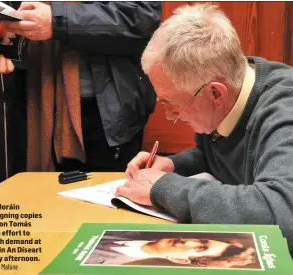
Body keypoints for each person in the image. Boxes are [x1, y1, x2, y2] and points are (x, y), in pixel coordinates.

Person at [115, 3, 293, 256]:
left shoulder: (285, 112)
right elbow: (237, 155)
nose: (170, 115)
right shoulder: (233, 91)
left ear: (214, 92)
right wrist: (175, 166)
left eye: (173, 104)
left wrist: (164, 188)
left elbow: (282, 216)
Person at [0, 1, 161, 172]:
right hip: (34, 102)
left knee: (106, 201)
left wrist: (58, 21)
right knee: (42, 199)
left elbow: (140, 16)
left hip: (106, 114)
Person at [84, 230, 259, 268]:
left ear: (180, 260)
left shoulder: (104, 265)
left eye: (199, 248)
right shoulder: (129, 227)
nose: (189, 242)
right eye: (203, 240)